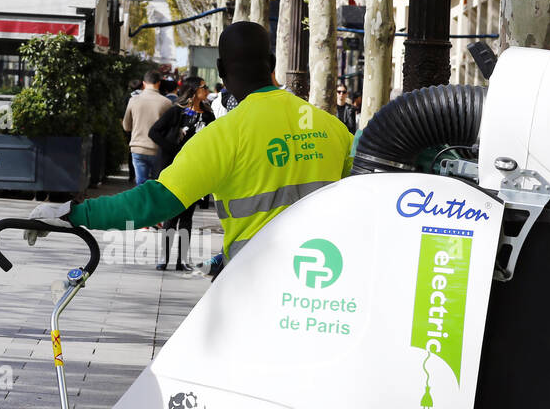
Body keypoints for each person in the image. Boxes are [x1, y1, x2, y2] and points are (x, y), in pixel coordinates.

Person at [26, 21, 353, 265]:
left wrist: (73, 212)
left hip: (256, 277)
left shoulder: (224, 135)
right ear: (271, 64)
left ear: (221, 70)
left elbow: (153, 202)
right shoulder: (331, 127)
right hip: (324, 276)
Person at [149, 76, 215, 271]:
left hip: (195, 171)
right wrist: (174, 149)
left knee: (187, 218)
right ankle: (164, 258)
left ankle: (181, 260)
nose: (207, 90)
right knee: (171, 216)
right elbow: (154, 132)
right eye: (203, 87)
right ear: (194, 91)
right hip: (174, 171)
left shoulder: (208, 115)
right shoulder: (176, 112)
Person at [124, 70, 172, 185]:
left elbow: (126, 126)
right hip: (157, 149)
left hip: (137, 147)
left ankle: (140, 203)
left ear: (144, 83)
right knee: (157, 185)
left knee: (140, 185)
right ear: (159, 83)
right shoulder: (167, 103)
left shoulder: (133, 100)